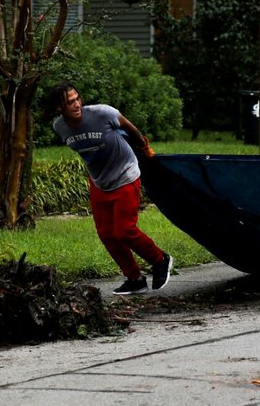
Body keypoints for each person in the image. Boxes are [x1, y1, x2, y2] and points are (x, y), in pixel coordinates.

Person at [48, 82, 173, 296]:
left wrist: (143, 146)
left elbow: (129, 127)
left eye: (78, 98)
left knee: (125, 230)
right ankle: (134, 279)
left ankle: (160, 260)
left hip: (125, 173)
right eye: (70, 102)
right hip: (99, 180)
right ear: (59, 108)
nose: (77, 104)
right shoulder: (59, 126)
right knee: (107, 234)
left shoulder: (102, 113)